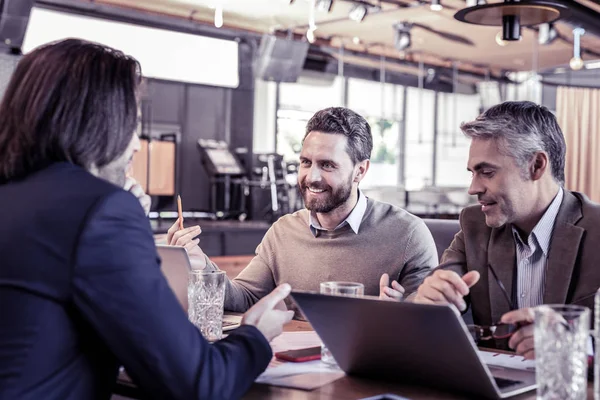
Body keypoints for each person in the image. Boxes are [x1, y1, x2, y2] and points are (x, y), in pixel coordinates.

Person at [0, 38, 293, 400]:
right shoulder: (102, 212)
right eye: (132, 125)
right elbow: (199, 384)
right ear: (98, 124)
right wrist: (256, 335)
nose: (136, 145)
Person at [168, 107, 439, 313]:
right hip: (293, 368)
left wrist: (399, 313)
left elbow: (430, 323)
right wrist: (201, 265)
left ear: (360, 170)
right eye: (306, 162)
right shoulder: (283, 232)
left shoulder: (408, 235)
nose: (312, 177)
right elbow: (245, 297)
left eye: (327, 165)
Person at [411, 101, 600, 359]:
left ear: (536, 166)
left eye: (486, 172)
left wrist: (575, 346)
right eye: (473, 173)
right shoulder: (474, 225)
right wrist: (428, 299)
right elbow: (430, 291)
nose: (473, 188)